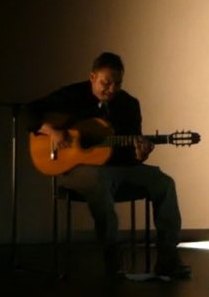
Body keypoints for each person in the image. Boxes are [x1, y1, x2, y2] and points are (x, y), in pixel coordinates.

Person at [25, 51, 191, 278]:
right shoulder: (73, 95)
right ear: (92, 77)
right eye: (106, 83)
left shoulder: (129, 104)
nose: (112, 89)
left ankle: (167, 257)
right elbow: (28, 111)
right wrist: (52, 131)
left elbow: (131, 155)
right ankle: (112, 254)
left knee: (164, 183)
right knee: (99, 180)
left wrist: (141, 155)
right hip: (75, 170)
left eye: (118, 83)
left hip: (119, 170)